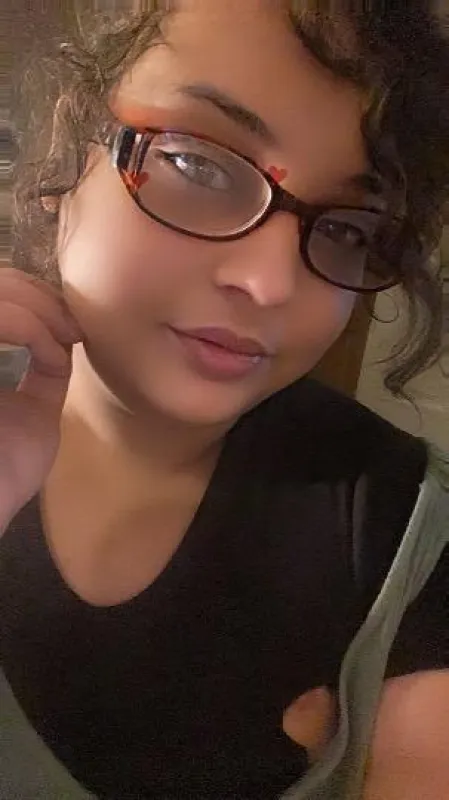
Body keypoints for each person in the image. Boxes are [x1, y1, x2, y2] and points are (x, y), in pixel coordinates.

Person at [1, 1, 449, 798]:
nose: (270, 283)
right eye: (199, 166)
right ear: (70, 149)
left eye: (347, 228)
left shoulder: (399, 529)